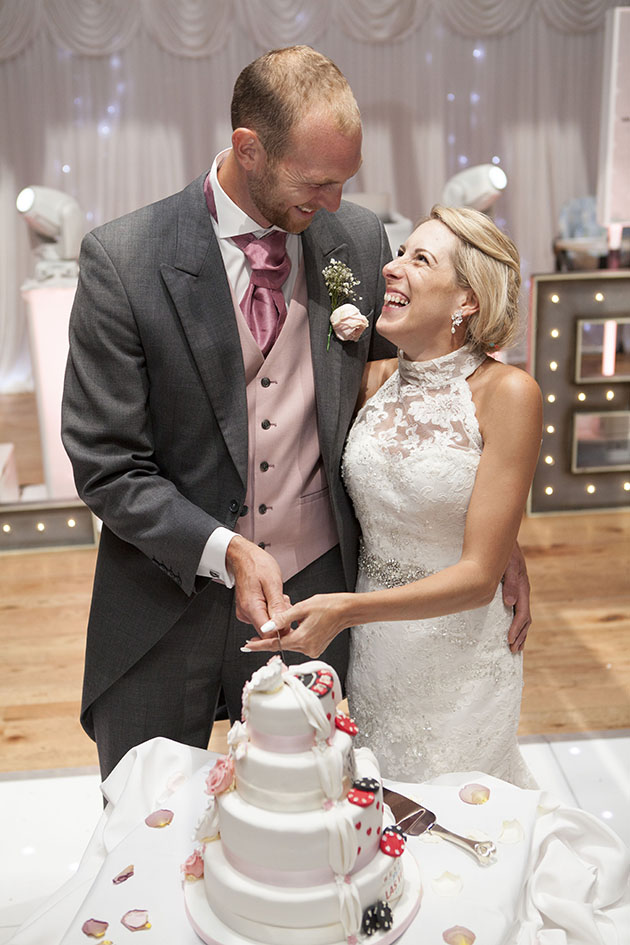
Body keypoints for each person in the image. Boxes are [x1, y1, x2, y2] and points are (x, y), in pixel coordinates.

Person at [62, 45, 531, 781]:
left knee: (301, 828)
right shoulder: (125, 260)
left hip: (315, 596)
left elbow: (425, 386)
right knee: (146, 824)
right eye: (318, 182)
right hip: (163, 600)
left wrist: (492, 533)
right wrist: (225, 547)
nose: (336, 204)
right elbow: (106, 463)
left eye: (346, 181)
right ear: (249, 149)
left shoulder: (354, 241)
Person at [244, 205, 542, 787]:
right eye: (400, 252)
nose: (390, 267)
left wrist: (345, 610)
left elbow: (480, 575)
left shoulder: (508, 393)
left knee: (460, 812)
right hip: (380, 653)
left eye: (420, 259)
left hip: (461, 657)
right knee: (388, 810)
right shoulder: (372, 383)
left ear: (468, 300)